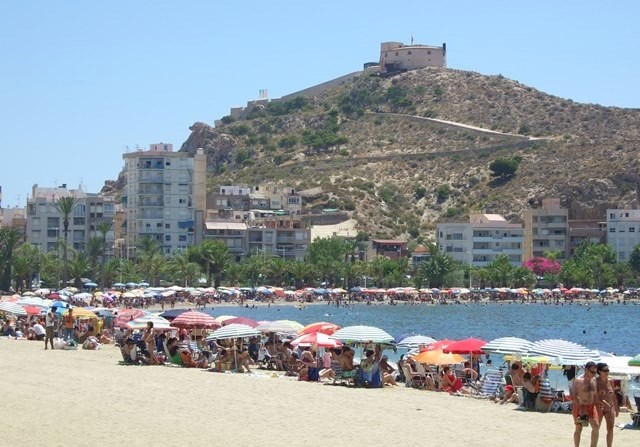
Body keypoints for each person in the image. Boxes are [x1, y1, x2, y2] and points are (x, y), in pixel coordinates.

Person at [571, 361, 601, 447]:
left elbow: (595, 395)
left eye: (595, 372)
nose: (594, 374)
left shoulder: (594, 380)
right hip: (580, 406)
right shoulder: (578, 380)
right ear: (586, 370)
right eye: (592, 372)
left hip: (591, 406)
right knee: (578, 428)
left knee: (596, 427)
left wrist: (598, 406)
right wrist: (581, 408)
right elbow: (575, 395)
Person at [596, 363, 618, 447]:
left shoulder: (611, 381)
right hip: (599, 407)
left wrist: (616, 408)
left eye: (608, 370)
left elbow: (613, 396)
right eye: (605, 370)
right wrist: (604, 403)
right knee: (596, 428)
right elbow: (595, 397)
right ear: (599, 371)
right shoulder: (595, 381)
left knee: (610, 429)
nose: (607, 372)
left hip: (610, 407)